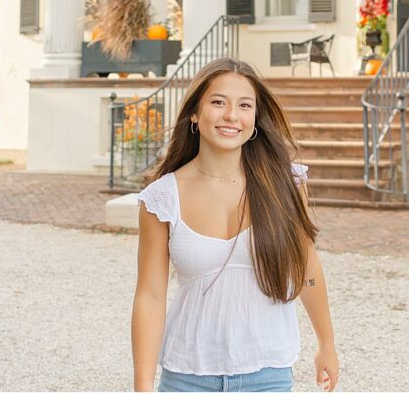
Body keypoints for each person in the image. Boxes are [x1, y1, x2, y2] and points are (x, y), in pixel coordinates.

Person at [131, 58, 339, 392]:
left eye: (245, 105)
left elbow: (306, 267)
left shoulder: (287, 183)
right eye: (218, 102)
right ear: (195, 115)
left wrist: (326, 342)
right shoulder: (162, 199)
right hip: (187, 376)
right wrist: (143, 386)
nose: (232, 116)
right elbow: (151, 295)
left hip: (268, 374)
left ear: (255, 119)